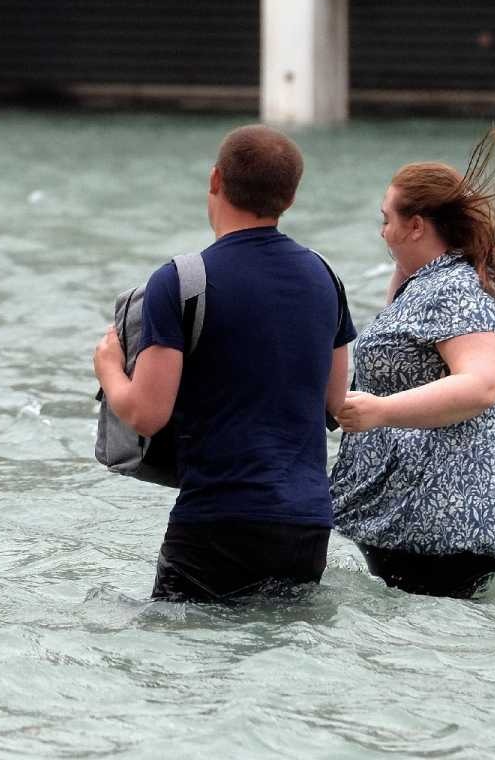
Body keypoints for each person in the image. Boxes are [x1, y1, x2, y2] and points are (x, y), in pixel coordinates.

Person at [93, 125, 356, 604]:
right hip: (307, 524)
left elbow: (147, 413)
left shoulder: (181, 281)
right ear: (291, 198)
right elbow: (336, 404)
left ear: (215, 180)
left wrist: (109, 367)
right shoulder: (325, 276)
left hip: (218, 518)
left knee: (181, 660)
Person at [328, 127, 495, 599]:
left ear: (417, 225)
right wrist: (404, 262)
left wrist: (379, 412)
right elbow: (403, 340)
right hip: (432, 517)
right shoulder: (437, 280)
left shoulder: (455, 289)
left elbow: (482, 385)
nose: (382, 232)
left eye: (386, 220)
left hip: (448, 518)